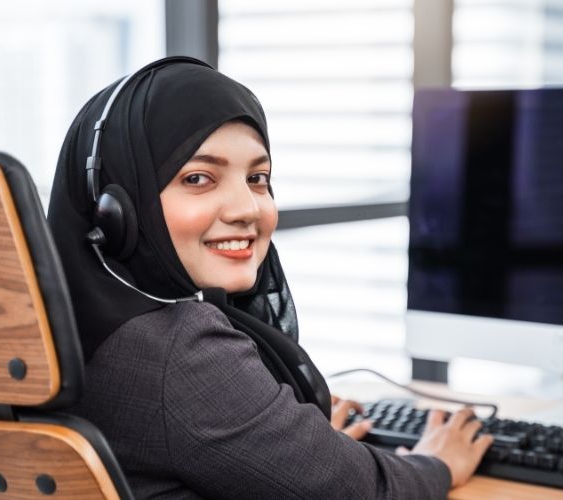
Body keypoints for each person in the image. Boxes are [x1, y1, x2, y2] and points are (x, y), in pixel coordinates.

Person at [47, 57, 492, 499]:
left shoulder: (60, 329)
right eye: (199, 178)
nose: (247, 209)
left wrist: (295, 450)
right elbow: (366, 492)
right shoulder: (178, 350)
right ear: (115, 208)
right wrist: (435, 461)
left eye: (258, 178)